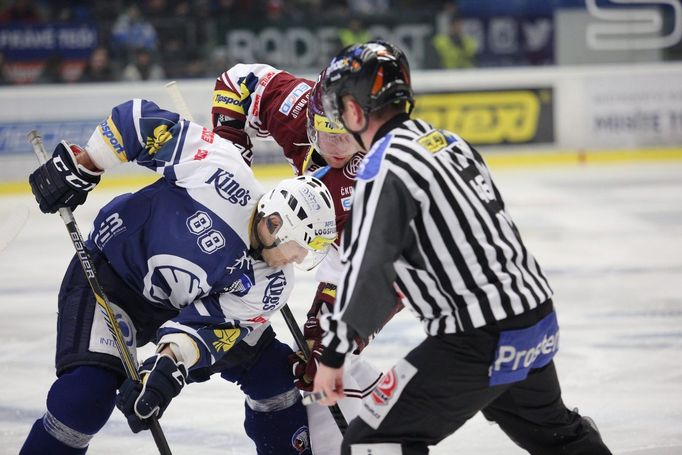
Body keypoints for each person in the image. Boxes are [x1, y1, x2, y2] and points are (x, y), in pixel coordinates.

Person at [313, 41, 613, 455]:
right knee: (555, 435)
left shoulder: (384, 166)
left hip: (477, 338)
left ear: (355, 108)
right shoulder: (447, 142)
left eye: (341, 106)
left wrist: (332, 354)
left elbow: (369, 269)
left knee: (373, 442)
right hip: (535, 321)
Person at [21, 98, 338, 454]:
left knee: (274, 380)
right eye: (300, 247)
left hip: (179, 306)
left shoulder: (274, 282)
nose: (298, 259)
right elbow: (138, 121)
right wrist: (86, 165)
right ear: (276, 224)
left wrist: (166, 369)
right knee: (83, 399)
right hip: (112, 278)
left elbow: (211, 326)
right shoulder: (222, 171)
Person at [211, 63, 403, 453]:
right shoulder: (296, 110)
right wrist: (229, 151)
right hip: (331, 228)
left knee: (325, 352)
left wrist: (339, 339)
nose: (331, 147)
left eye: (343, 138)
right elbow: (238, 81)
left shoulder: (381, 179)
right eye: (324, 132)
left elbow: (388, 278)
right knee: (318, 355)